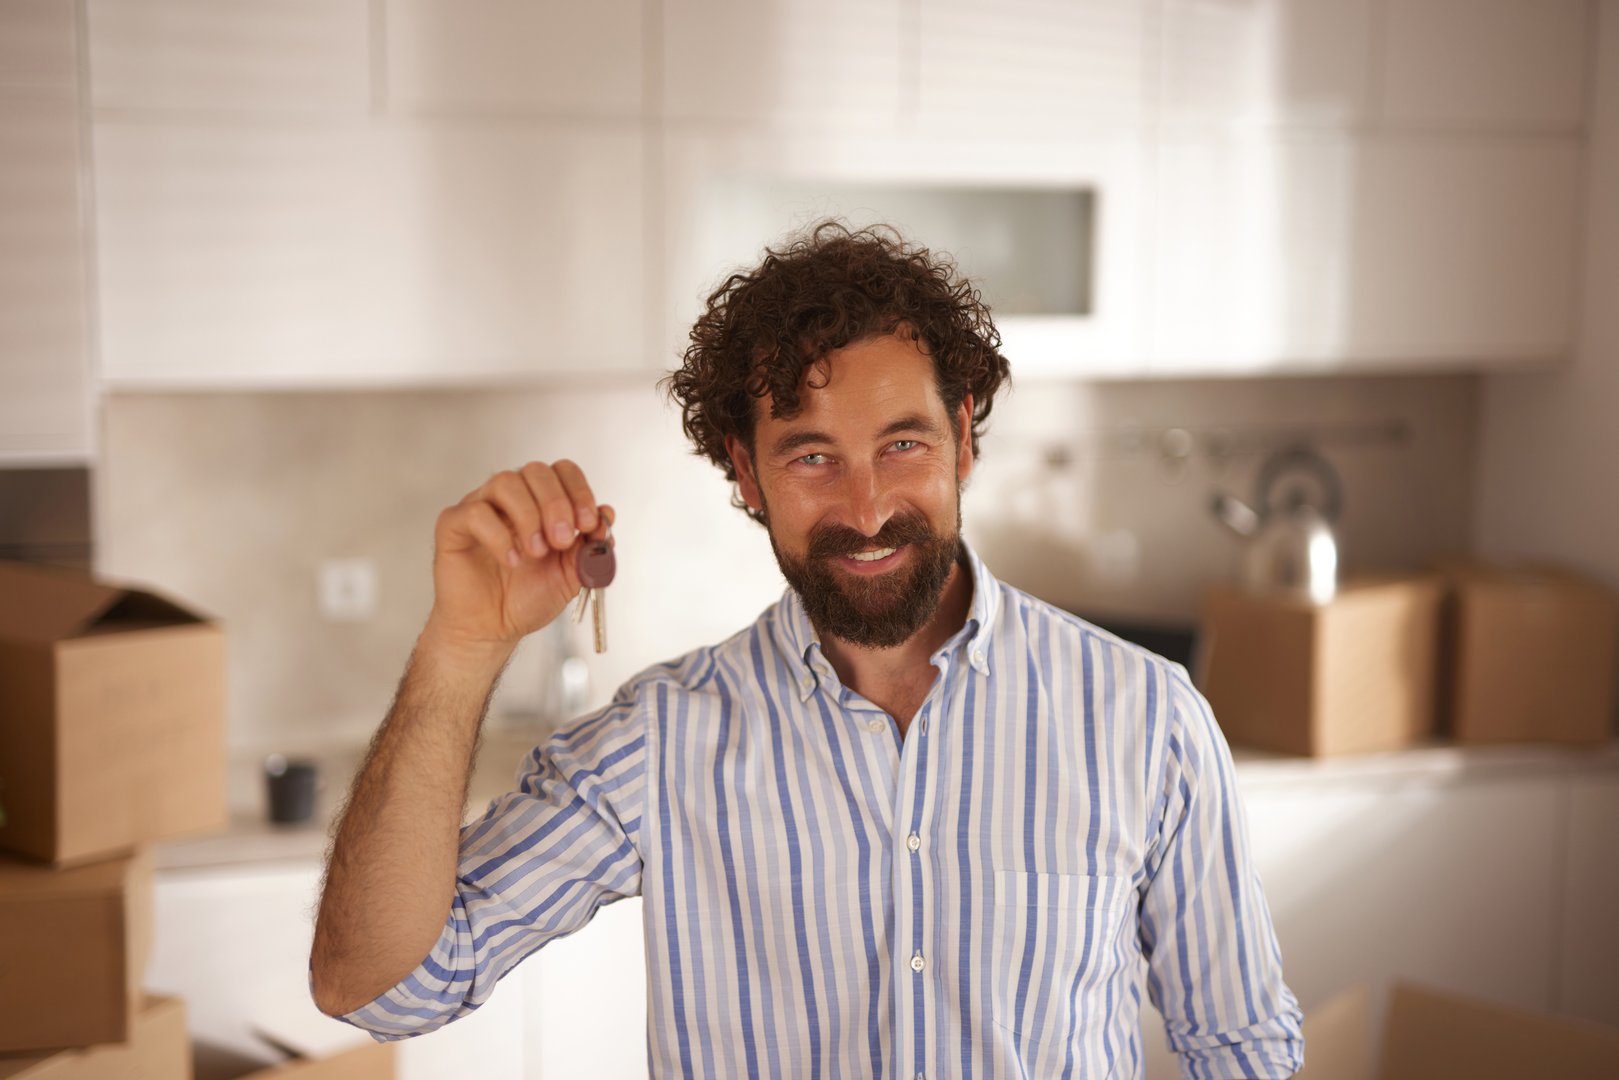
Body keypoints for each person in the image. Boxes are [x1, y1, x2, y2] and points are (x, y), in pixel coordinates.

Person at [309, 221, 1306, 1078]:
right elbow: (380, 988)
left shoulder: (1142, 716)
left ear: (965, 439)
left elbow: (1239, 1045)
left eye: (902, 444)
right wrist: (461, 647)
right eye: (812, 456)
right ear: (745, 472)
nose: (866, 508)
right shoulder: (664, 742)